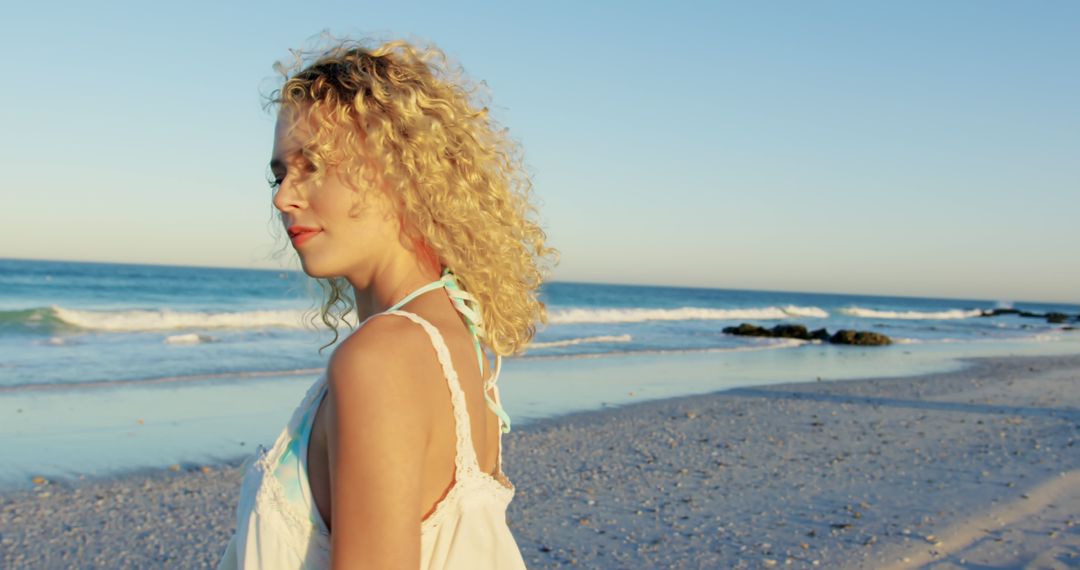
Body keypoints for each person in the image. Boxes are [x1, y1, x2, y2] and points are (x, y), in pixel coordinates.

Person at [217, 34, 559, 569]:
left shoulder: (381, 360)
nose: (282, 197)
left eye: (313, 165)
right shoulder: (457, 339)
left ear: (401, 169)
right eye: (280, 173)